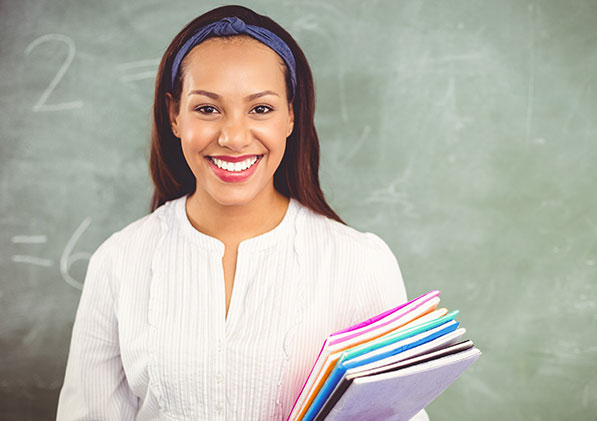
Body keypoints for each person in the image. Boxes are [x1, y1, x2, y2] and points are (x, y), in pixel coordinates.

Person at [57, 5, 429, 420]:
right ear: (174, 114)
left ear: (291, 114)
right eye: (207, 109)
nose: (233, 137)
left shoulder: (362, 264)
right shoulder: (120, 260)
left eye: (261, 109)